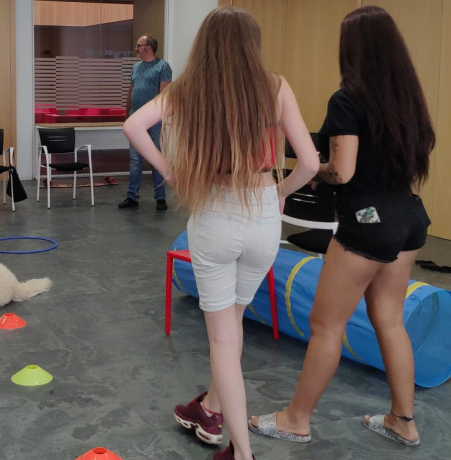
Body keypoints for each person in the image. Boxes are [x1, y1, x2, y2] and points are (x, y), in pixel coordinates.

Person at [123, 7, 319, 460]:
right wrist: (279, 194)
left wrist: (170, 172)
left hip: (215, 217)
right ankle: (210, 408)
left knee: (223, 340)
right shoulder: (275, 86)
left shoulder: (191, 89)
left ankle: (242, 453)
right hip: (264, 217)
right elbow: (309, 163)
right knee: (232, 323)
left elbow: (134, 125)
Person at [249, 5, 434, 448]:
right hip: (408, 217)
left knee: (325, 324)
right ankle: (402, 421)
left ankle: (296, 418)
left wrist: (317, 171)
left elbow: (344, 171)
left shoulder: (348, 98)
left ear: (352, 49)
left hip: (367, 224)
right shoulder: (407, 97)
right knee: (390, 319)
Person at [118, 33, 172, 211]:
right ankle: (132, 196)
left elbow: (164, 96)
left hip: (153, 122)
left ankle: (160, 197)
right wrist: (127, 114)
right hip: (135, 118)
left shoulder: (163, 67)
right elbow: (130, 91)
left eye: (138, 45)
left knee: (155, 157)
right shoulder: (136, 67)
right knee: (135, 160)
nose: (136, 49)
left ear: (148, 48)